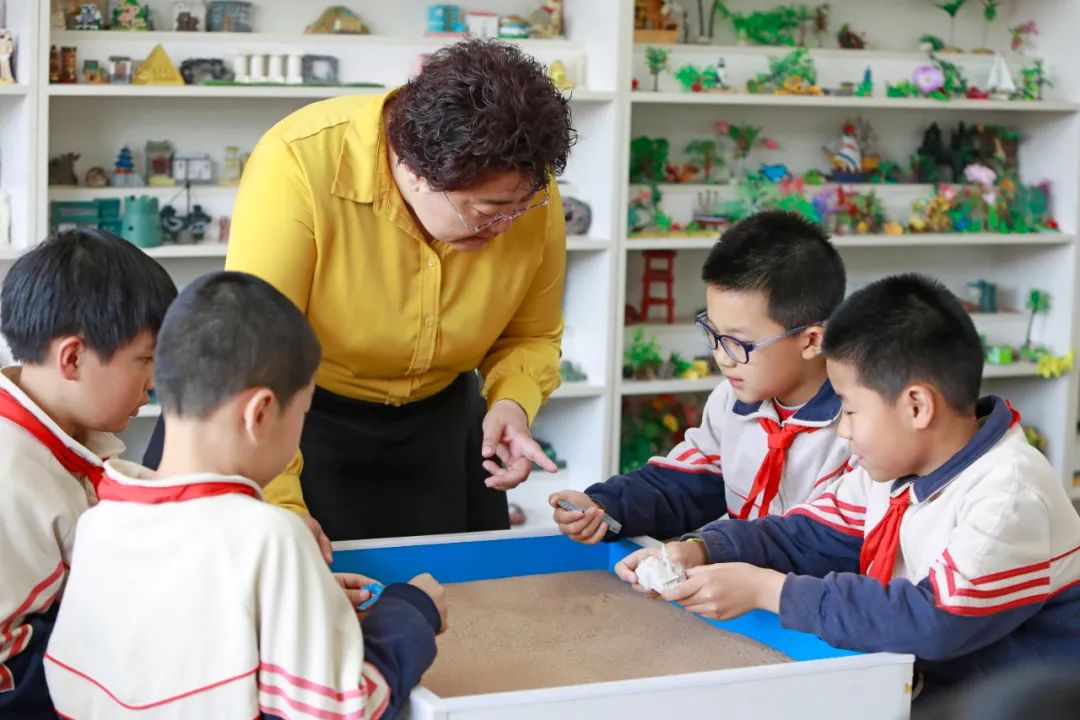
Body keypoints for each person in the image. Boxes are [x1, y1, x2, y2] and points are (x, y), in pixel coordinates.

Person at [142, 38, 576, 543]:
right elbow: (252, 358)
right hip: (293, 415)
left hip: (440, 425)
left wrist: (512, 404)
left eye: (521, 209)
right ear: (415, 171)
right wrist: (279, 505)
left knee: (450, 588)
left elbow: (531, 335)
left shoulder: (520, 188)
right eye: (486, 213)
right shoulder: (299, 164)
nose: (506, 226)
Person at [616, 274, 1080, 698]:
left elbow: (934, 619)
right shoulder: (895, 471)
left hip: (1021, 702)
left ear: (916, 407)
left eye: (851, 410)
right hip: (933, 684)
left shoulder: (1008, 494)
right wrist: (702, 549)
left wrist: (767, 591)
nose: (843, 429)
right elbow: (804, 535)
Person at [46, 272, 446, 719]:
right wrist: (409, 613)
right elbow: (340, 712)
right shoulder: (272, 536)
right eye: (303, 414)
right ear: (261, 413)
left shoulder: (99, 522)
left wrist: (303, 602)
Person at [551, 211, 850, 543]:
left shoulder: (856, 428)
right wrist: (605, 507)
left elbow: (825, 540)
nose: (721, 357)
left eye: (738, 343)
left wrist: (713, 548)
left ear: (810, 341)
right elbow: (682, 483)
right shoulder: (730, 401)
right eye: (713, 333)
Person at [0, 229, 176, 719]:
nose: (154, 382)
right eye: (145, 359)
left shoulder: (67, 438)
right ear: (73, 358)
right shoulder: (13, 477)